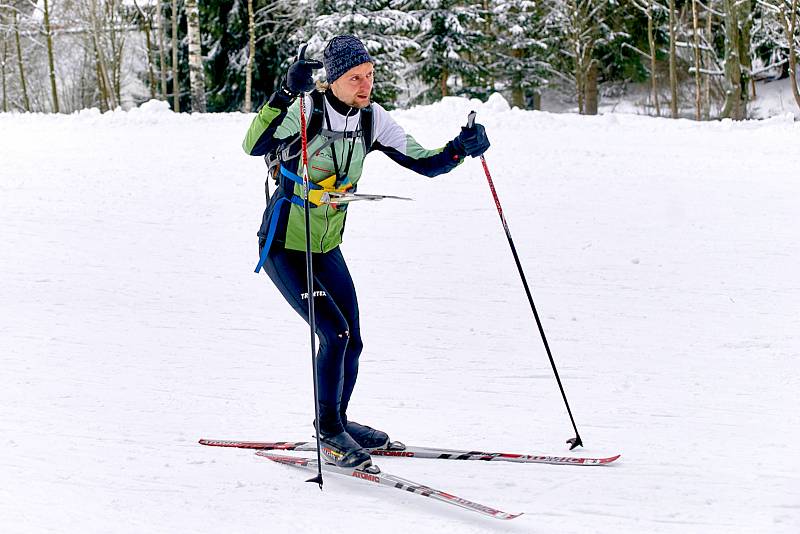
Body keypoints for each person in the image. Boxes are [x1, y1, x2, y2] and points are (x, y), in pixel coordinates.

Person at [242, 35, 490, 470]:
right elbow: (253, 145)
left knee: (352, 339)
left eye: (370, 75)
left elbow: (426, 162)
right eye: (355, 77)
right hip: (284, 245)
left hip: (326, 247)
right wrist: (284, 92)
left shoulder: (371, 120)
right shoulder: (305, 110)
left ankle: (338, 419)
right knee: (333, 335)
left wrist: (460, 148)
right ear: (332, 81)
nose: (365, 85)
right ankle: (329, 432)